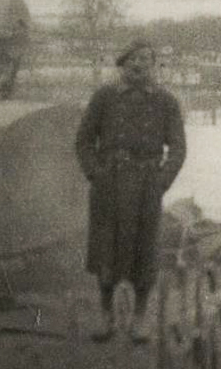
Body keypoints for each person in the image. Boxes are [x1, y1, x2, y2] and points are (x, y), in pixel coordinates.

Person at [75, 39, 187, 343]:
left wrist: (162, 180)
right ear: (123, 64)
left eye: (147, 60)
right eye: (134, 60)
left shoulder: (166, 101)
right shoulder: (104, 97)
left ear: (154, 66)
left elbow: (178, 148)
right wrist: (95, 174)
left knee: (145, 253)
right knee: (105, 251)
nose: (140, 65)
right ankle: (106, 318)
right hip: (109, 184)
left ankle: (139, 320)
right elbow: (83, 141)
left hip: (146, 186)